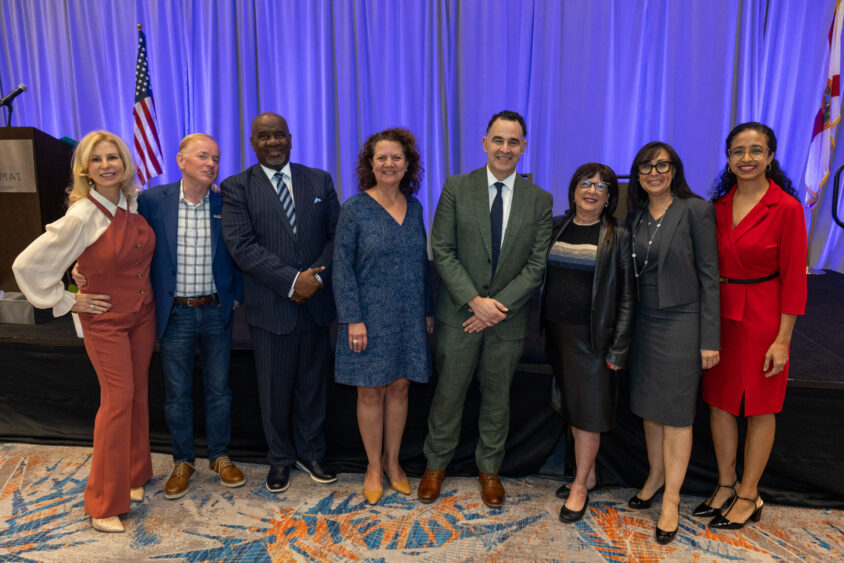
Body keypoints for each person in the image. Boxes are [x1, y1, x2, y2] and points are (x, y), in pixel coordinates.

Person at [76, 134, 246, 498]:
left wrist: (237, 298)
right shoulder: (151, 202)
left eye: (216, 157)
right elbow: (110, 235)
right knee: (177, 394)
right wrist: (79, 271)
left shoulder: (227, 202)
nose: (211, 163)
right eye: (202, 156)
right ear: (180, 160)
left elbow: (243, 250)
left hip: (216, 311)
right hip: (175, 313)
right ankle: (182, 461)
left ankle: (220, 456)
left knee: (219, 391)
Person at [13, 131, 156, 533]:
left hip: (142, 316)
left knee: (138, 394)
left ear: (125, 163)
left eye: (113, 157)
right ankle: (103, 503)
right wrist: (69, 298)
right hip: (106, 322)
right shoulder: (81, 215)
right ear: (85, 170)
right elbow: (27, 265)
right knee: (117, 401)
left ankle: (133, 474)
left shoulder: (130, 201)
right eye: (97, 160)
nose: (107, 165)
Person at [419, 110, 553, 508]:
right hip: (459, 315)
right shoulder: (457, 187)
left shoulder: (540, 200)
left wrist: (498, 307)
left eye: (514, 142)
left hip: (506, 322)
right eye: (498, 140)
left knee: (498, 399)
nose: (505, 149)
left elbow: (537, 264)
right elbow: (441, 249)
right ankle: (435, 466)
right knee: (448, 395)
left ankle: (489, 470)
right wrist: (474, 301)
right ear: (485, 143)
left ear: (524, 147)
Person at [221, 112, 340, 493]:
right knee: (273, 390)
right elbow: (242, 247)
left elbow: (337, 236)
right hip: (271, 306)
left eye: (279, 136)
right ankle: (280, 460)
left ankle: (312, 452)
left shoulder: (319, 179)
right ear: (252, 142)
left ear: (291, 138)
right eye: (264, 136)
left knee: (313, 385)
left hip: (317, 303)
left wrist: (315, 278)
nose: (273, 142)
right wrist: (292, 281)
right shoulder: (237, 187)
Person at [698, 122, 806, 530]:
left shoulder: (787, 208)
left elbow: (795, 279)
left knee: (760, 407)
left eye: (755, 150)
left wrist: (783, 340)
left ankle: (749, 493)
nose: (746, 159)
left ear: (770, 157)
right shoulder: (718, 206)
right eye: (738, 151)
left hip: (765, 318)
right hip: (720, 316)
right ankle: (725, 484)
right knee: (721, 403)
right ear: (728, 159)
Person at [625, 141, 720, 544]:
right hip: (644, 322)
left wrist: (709, 338)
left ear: (675, 169)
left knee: (677, 413)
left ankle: (672, 500)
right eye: (646, 166)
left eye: (662, 165)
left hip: (683, 322)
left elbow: (710, 276)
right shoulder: (635, 216)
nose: (654, 172)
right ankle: (654, 476)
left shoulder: (696, 210)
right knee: (650, 407)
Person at [332, 128, 434, 504]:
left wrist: (426, 311)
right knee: (370, 390)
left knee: (401, 387)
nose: (389, 164)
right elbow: (342, 267)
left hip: (408, 314)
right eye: (381, 158)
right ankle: (373, 466)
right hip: (368, 317)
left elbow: (422, 264)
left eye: (396, 157)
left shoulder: (417, 207)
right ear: (370, 165)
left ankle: (394, 463)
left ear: (407, 165)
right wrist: (352, 318)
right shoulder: (354, 209)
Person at [542, 163, 635, 523]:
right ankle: (590, 473)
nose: (592, 190)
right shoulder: (557, 226)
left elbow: (627, 298)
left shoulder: (618, 236)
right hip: (557, 335)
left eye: (601, 186)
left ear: (610, 197)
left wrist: (618, 349)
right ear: (574, 188)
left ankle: (580, 485)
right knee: (571, 408)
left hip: (593, 340)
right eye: (586, 182)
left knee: (587, 415)